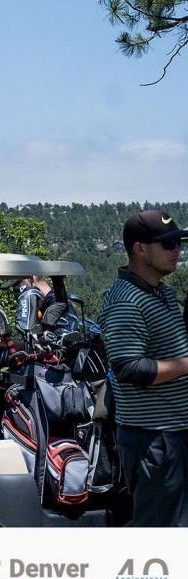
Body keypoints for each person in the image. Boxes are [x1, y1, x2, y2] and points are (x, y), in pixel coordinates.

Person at [100, 209, 188, 526]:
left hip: (173, 434)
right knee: (163, 535)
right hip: (154, 441)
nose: (177, 249)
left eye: (179, 242)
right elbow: (129, 368)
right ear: (139, 248)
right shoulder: (127, 300)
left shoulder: (161, 292)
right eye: (168, 244)